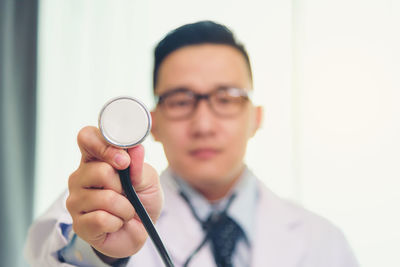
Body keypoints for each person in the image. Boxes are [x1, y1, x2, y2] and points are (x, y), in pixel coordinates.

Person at [25, 21, 359, 267]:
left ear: (256, 118)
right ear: (152, 123)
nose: (203, 125)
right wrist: (100, 252)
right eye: (181, 100)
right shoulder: (100, 207)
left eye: (226, 99)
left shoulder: (323, 243)